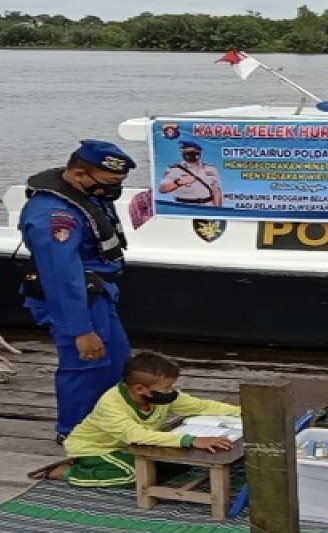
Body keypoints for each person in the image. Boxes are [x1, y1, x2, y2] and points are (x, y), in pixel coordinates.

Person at [19, 139, 136, 443]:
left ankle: (109, 426)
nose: (113, 190)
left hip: (98, 293)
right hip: (75, 300)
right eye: (109, 183)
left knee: (115, 362)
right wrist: (80, 330)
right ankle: (74, 434)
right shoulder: (55, 216)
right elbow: (61, 275)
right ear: (80, 174)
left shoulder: (86, 193)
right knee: (86, 364)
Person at [35, 351, 240, 486]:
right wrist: (191, 440)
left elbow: (201, 406)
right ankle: (68, 472)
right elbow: (136, 435)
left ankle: (109, 467)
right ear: (140, 389)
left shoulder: (160, 396)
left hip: (136, 446)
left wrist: (242, 412)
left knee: (183, 464)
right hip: (100, 448)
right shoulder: (111, 405)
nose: (172, 391)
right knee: (134, 477)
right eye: (167, 388)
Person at [158, 141, 223, 206]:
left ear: (199, 152)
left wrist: (217, 209)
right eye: (185, 151)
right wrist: (179, 183)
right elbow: (162, 189)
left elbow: (216, 190)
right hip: (184, 207)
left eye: (192, 151)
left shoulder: (211, 168)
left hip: (207, 206)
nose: (189, 153)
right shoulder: (174, 169)